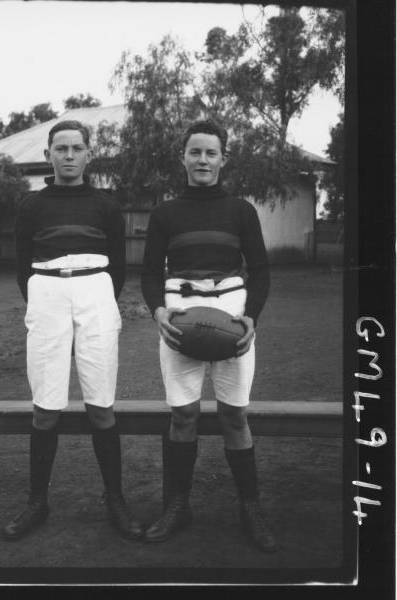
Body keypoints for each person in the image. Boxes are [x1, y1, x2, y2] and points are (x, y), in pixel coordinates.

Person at [3, 120, 143, 542]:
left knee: (101, 403)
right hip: (46, 291)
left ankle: (114, 499)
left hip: (96, 292)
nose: (68, 155)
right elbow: (22, 268)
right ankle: (36, 502)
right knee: (45, 406)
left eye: (76, 148)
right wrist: (48, 297)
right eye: (60, 148)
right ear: (48, 155)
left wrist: (93, 292)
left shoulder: (106, 204)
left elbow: (117, 269)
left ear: (87, 154)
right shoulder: (31, 205)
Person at [141, 119, 277, 552]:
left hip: (231, 313)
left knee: (235, 416)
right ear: (183, 157)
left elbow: (260, 271)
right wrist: (158, 311)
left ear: (223, 159)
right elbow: (146, 273)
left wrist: (252, 316)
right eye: (195, 152)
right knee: (182, 415)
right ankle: (178, 505)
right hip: (180, 312)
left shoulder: (241, 210)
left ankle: (249, 508)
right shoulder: (164, 213)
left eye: (210, 153)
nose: (202, 160)